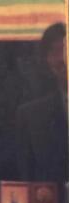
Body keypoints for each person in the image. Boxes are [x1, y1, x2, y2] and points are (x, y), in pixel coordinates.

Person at [15, 22, 68, 185]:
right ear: (47, 60)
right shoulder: (31, 116)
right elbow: (27, 179)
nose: (62, 59)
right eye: (55, 51)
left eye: (66, 49)